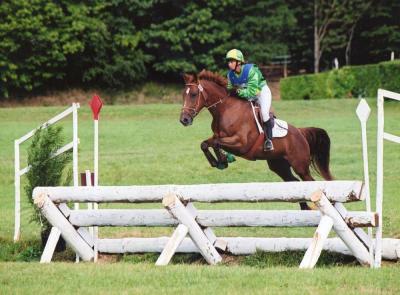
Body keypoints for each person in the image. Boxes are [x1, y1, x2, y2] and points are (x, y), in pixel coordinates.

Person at [226, 49, 274, 151]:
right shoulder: (230, 75)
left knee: (265, 114)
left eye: (231, 61)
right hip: (247, 96)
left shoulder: (251, 70)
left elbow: (252, 91)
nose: (229, 64)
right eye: (228, 61)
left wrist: (238, 92)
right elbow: (230, 90)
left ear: (239, 62)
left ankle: (269, 140)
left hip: (261, 92)